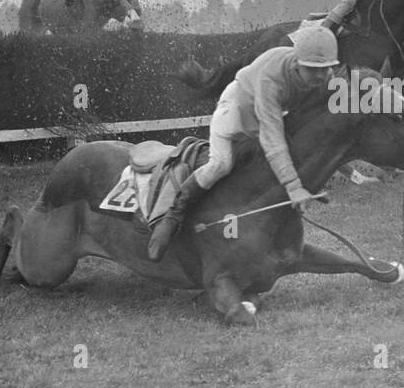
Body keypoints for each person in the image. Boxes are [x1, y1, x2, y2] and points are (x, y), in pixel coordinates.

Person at [146, 26, 340, 259]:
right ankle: (173, 215)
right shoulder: (273, 78)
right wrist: (294, 187)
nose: (320, 77)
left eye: (324, 69)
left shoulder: (327, 77)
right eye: (312, 70)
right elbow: (273, 139)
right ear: (297, 62)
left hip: (270, 115)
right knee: (221, 164)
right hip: (236, 110)